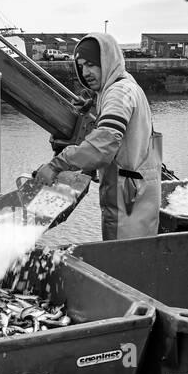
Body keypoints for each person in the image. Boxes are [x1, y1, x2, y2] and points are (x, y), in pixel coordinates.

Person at [32, 33, 161, 240]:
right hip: (138, 191)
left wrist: (56, 165)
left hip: (127, 200)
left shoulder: (118, 94)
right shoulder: (125, 83)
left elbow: (102, 146)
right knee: (135, 257)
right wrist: (94, 104)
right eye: (81, 66)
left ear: (107, 60)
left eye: (92, 64)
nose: (86, 72)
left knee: (123, 260)